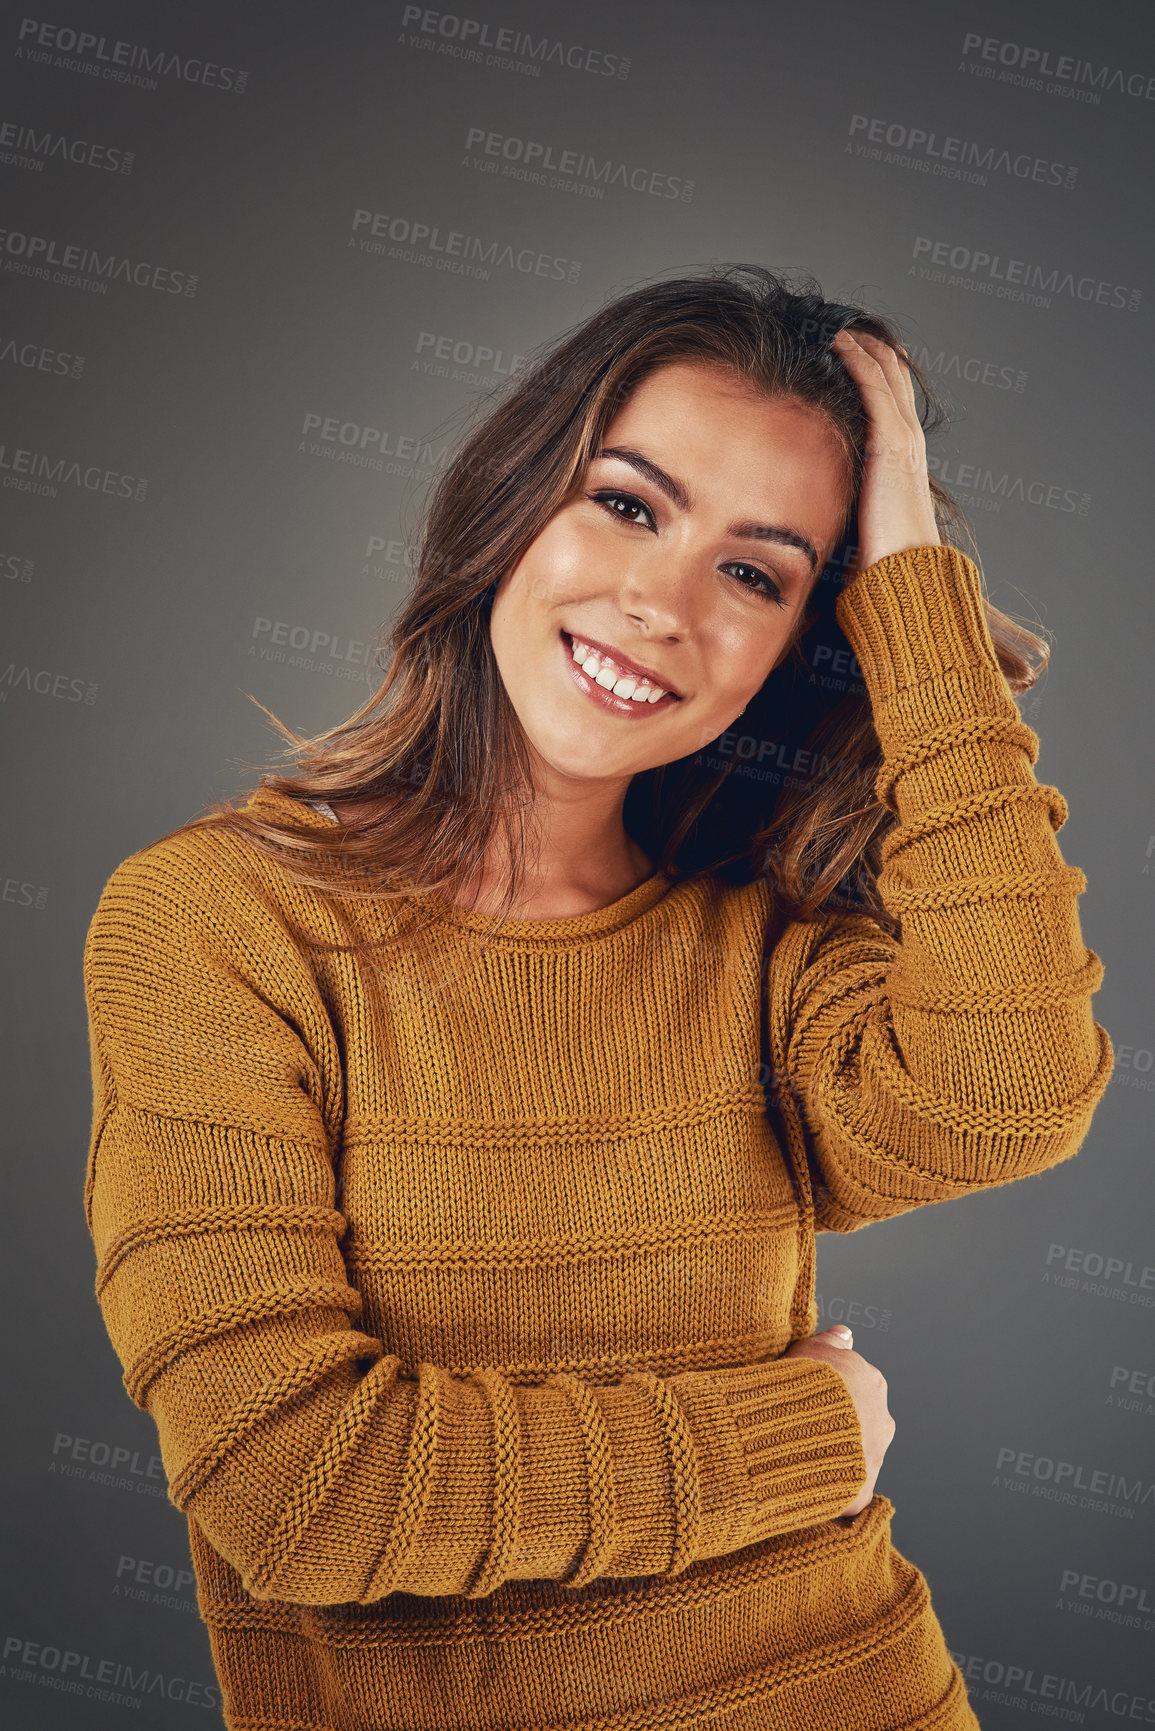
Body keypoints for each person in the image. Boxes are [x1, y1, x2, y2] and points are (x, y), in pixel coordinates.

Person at [82, 266, 1112, 1731]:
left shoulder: (759, 949)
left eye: (757, 573)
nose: (658, 602)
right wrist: (803, 1437)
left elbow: (1012, 1093)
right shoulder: (219, 922)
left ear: (799, 642)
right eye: (628, 504)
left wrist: (912, 601)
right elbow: (303, 1491)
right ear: (516, 507)